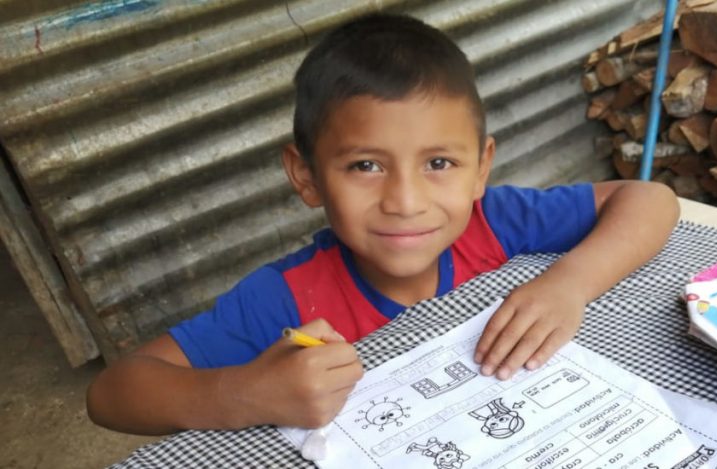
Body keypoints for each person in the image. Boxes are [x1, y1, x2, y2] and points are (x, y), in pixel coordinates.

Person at [86, 13, 679, 435]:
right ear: (306, 177)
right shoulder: (289, 299)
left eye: (438, 163)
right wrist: (242, 394)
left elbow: (650, 199)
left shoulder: (494, 224)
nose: (405, 201)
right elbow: (111, 394)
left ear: (481, 168)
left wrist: (568, 285)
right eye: (365, 166)